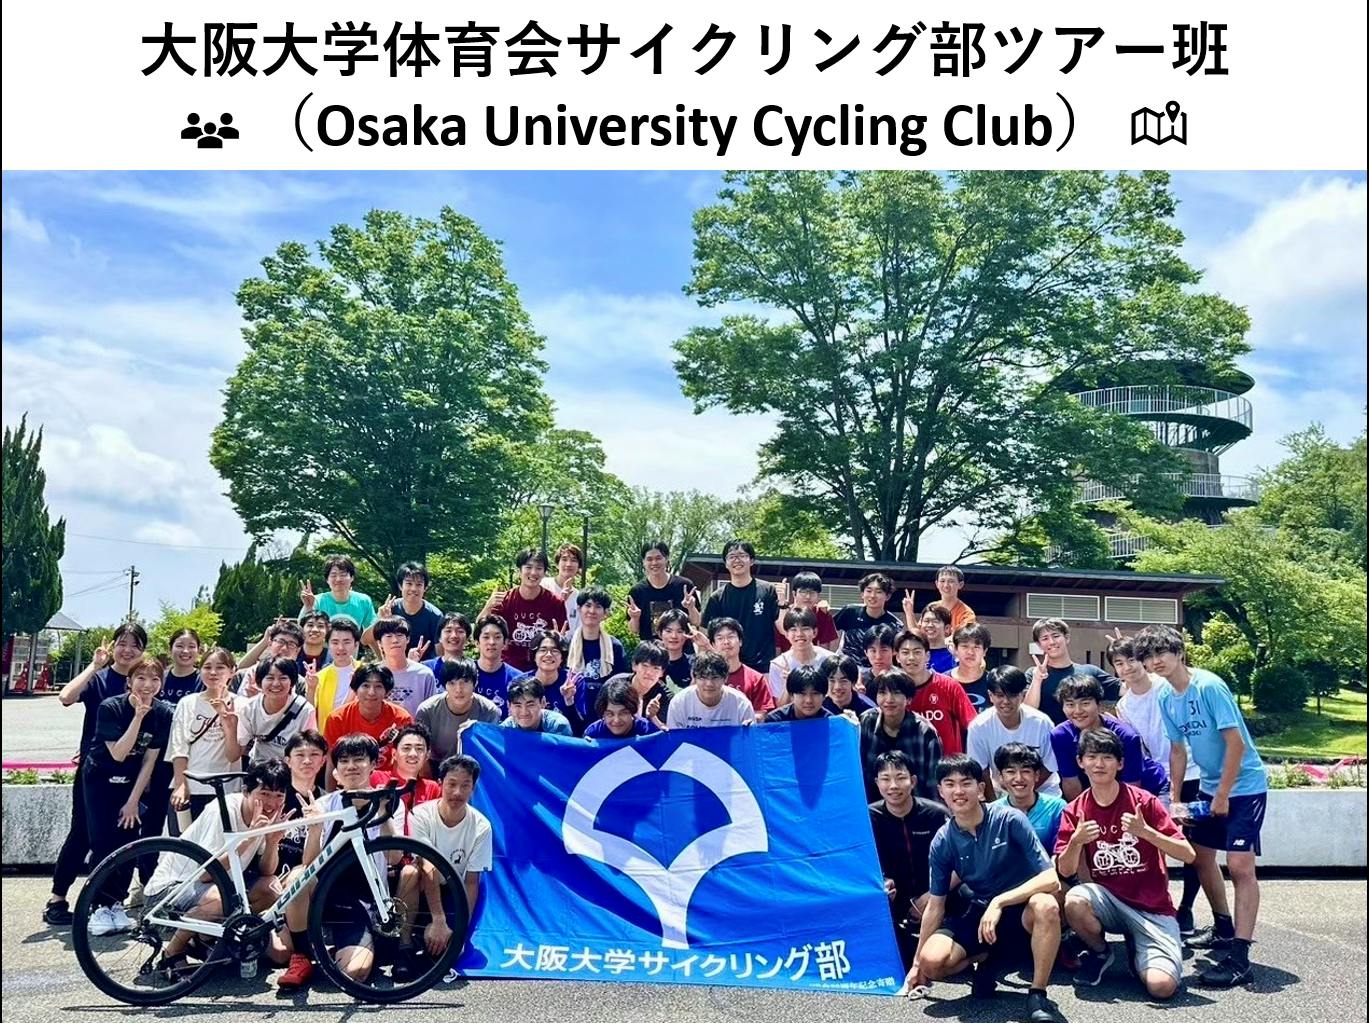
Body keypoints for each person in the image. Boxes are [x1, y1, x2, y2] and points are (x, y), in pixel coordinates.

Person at [1134, 625, 1268, 987]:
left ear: (1179, 652)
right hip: (1210, 787)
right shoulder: (1166, 696)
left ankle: (1240, 956)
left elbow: (1236, 744)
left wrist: (1223, 795)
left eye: (1161, 653)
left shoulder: (1209, 686)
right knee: (1200, 857)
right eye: (1148, 656)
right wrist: (1176, 799)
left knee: (1239, 867)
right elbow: (1177, 751)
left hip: (1245, 787)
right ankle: (1223, 927)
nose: (1155, 661)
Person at [901, 755, 1066, 1023]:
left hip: (1022, 908)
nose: (958, 791)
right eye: (950, 784)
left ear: (980, 788)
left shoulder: (1010, 819)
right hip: (981, 913)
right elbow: (936, 905)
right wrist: (917, 965)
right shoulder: (943, 840)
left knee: (1046, 905)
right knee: (933, 962)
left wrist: (1000, 902)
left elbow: (1051, 879)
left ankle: (1038, 994)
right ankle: (991, 956)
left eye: (966, 783)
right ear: (940, 791)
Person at [1055, 728, 1194, 998]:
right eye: (1092, 757)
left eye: (1107, 757)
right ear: (1080, 762)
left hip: (1152, 908)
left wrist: (1147, 833)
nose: (1099, 764)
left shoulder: (1144, 802)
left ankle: (1137, 948)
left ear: (1120, 763)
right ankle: (1100, 952)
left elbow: (1188, 855)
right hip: (1109, 903)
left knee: (1162, 987)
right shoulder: (1075, 810)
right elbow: (1066, 870)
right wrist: (1076, 841)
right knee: (1075, 899)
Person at [277, 733, 402, 989]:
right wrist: (315, 828)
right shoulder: (324, 804)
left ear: (373, 764)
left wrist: (383, 813)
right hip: (322, 896)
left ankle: (333, 952)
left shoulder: (388, 802)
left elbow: (395, 857)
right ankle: (302, 955)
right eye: (344, 761)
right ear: (336, 769)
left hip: (362, 903)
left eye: (359, 759)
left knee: (355, 973)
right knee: (297, 877)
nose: (351, 766)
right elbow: (309, 864)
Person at [143, 760, 291, 970]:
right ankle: (172, 952)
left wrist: (272, 842)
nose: (271, 803)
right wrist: (248, 838)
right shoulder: (224, 810)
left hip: (211, 888)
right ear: (246, 791)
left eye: (279, 796)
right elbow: (206, 874)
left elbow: (267, 871)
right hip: (171, 889)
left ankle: (201, 937)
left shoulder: (266, 816)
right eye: (264, 794)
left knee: (271, 888)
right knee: (222, 897)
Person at [46, 623, 146, 926]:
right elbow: (66, 696)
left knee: (125, 836)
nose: (128, 650)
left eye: (135, 645)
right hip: (95, 772)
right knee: (82, 833)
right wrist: (94, 665)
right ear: (113, 646)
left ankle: (109, 902)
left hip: (130, 772)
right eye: (122, 643)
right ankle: (57, 898)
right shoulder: (100, 679)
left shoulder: (143, 681)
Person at [1110, 633, 1204, 936]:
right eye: (1119, 663)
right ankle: (1158, 906)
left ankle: (1186, 908)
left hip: (1193, 774)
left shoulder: (1165, 686)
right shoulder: (1124, 705)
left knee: (1193, 845)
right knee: (1152, 844)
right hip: (1159, 781)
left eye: (1133, 659)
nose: (1128, 667)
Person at [82, 655, 174, 936]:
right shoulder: (110, 707)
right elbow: (119, 753)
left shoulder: (163, 713)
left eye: (155, 679)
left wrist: (133, 801)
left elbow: (149, 760)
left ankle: (116, 904)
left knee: (129, 842)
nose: (148, 685)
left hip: (132, 785)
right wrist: (138, 717)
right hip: (101, 781)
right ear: (129, 681)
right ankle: (98, 907)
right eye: (141, 678)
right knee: (103, 842)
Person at [405, 755, 492, 970]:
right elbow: (428, 867)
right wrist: (438, 919)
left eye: (465, 785)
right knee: (409, 873)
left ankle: (430, 938)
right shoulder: (420, 815)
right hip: (425, 885)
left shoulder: (482, 826)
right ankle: (403, 945)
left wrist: (459, 930)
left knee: (451, 951)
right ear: (440, 783)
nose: (457, 792)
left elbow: (471, 882)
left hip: (455, 891)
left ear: (473, 788)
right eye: (451, 784)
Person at [869, 750, 952, 970]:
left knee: (968, 895)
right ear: (877, 783)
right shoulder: (868, 818)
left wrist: (931, 895)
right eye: (885, 779)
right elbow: (860, 864)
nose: (893, 786)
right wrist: (880, 881)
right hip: (896, 895)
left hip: (936, 891)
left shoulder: (936, 814)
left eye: (900, 778)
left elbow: (959, 863)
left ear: (913, 781)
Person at [1050, 675, 1168, 800]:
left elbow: (1132, 787)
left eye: (1085, 703)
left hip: (1150, 789)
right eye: (1070, 705)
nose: (1078, 711)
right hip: (1100, 793)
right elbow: (1070, 781)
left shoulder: (1126, 736)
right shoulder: (1060, 736)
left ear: (1099, 704)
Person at [168, 647, 245, 826]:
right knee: (184, 841)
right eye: (207, 667)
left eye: (220, 667)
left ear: (232, 671)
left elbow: (233, 755)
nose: (213, 672)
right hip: (190, 789)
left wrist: (228, 724)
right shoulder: (187, 703)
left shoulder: (241, 705)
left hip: (226, 791)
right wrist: (181, 785)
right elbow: (179, 748)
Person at [966, 666, 1061, 800]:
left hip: (1044, 793)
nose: (1006, 701)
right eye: (999, 695)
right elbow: (981, 770)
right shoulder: (978, 726)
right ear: (990, 696)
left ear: (1022, 695)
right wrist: (995, 805)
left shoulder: (1042, 722)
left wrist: (1023, 794)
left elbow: (1049, 765)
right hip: (1002, 795)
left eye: (1012, 695)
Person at [857, 670, 943, 801]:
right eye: (882, 692)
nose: (889, 699)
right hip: (871, 806)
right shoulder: (866, 721)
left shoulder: (925, 731)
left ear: (908, 699)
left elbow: (933, 783)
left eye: (896, 693)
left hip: (915, 806)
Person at [478, 548, 568, 672]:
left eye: (539, 568)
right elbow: (478, 631)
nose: (533, 572)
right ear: (519, 571)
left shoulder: (555, 602)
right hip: (508, 669)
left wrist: (559, 639)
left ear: (545, 573)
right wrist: (488, 607)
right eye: (528, 567)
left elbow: (561, 640)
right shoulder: (505, 600)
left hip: (542, 669)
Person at [700, 539, 780, 672]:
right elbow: (705, 632)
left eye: (742, 555)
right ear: (726, 563)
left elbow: (782, 628)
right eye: (732, 557)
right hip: (728, 667)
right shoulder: (717, 597)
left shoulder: (767, 590)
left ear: (752, 560)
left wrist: (783, 605)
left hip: (763, 666)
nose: (737, 560)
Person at [322, 664, 414, 776]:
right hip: (349, 780)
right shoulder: (337, 719)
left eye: (378, 686)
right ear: (355, 690)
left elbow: (406, 761)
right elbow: (332, 763)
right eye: (365, 685)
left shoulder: (401, 718)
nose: (371, 692)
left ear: (387, 692)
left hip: (389, 781)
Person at [895, 627, 976, 755]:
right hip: (908, 764)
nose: (911, 657)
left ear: (927, 656)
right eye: (905, 652)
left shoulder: (949, 686)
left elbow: (973, 725)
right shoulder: (892, 690)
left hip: (946, 765)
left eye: (917, 652)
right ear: (898, 657)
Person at [1025, 618, 1120, 725]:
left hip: (1085, 734)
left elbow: (1125, 689)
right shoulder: (1033, 674)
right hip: (1045, 734)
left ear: (1067, 638)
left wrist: (1125, 652)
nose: (1051, 642)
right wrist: (1037, 680)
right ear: (1039, 644)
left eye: (1056, 636)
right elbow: (1027, 712)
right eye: (1045, 638)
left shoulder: (1089, 671)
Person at [416, 657, 501, 766]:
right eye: (452, 683)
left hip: (476, 766)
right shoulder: (427, 710)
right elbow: (420, 751)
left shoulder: (489, 711)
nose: (459, 689)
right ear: (444, 685)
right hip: (435, 766)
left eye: (465, 682)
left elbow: (491, 752)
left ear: (475, 683)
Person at [562, 588, 627, 726]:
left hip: (605, 714)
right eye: (587, 605)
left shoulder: (614, 646)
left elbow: (621, 682)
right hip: (571, 708)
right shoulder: (567, 643)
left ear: (605, 613)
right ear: (579, 609)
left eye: (598, 607)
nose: (592, 611)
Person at [237, 657, 318, 765]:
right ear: (260, 681)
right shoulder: (249, 708)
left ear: (292, 682)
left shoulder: (304, 710)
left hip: (291, 769)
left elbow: (310, 750)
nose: (276, 683)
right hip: (259, 768)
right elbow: (237, 751)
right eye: (270, 678)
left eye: (283, 678)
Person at [993, 743, 1067, 853]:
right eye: (1011, 772)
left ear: (1036, 775)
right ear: (1000, 776)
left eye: (1025, 771)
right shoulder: (992, 813)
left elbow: (1062, 852)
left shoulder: (1057, 807)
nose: (1019, 778)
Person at [371, 724, 442, 831]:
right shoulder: (375, 778)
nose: (413, 754)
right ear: (394, 754)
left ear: (427, 755)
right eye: (406, 748)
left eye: (419, 749)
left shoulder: (433, 788)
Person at [627, 541, 701, 642]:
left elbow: (696, 622)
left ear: (666, 559)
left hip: (682, 648)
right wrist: (635, 618)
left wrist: (691, 608)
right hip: (651, 648)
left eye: (658, 558)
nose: (654, 563)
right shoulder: (637, 591)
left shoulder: (684, 586)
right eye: (649, 559)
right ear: (643, 562)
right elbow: (634, 630)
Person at [704, 617, 775, 719]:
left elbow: (762, 713)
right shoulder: (706, 680)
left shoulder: (756, 679)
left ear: (740, 641)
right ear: (713, 645)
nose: (726, 642)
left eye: (731, 636)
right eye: (720, 638)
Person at [665, 651, 755, 729]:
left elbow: (751, 739)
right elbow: (674, 739)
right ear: (694, 678)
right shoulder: (679, 702)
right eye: (703, 678)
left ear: (725, 678)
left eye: (715, 678)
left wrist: (749, 731)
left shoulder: (741, 703)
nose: (709, 684)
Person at [372, 615, 439, 718]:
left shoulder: (424, 674)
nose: (395, 640)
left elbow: (433, 712)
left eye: (399, 635)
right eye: (388, 636)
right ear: (379, 642)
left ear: (407, 639)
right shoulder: (371, 674)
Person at [372, 561, 443, 655]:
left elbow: (440, 653)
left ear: (425, 588)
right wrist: (380, 620)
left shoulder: (435, 616)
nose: (413, 589)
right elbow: (366, 640)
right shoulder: (390, 608)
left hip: (425, 663)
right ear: (400, 586)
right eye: (409, 583)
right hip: (394, 661)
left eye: (419, 585)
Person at [598, 641, 671, 731]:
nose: (649, 672)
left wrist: (652, 717)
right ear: (634, 665)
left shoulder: (665, 697)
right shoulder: (613, 685)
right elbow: (599, 720)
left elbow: (665, 731)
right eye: (645, 665)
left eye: (656, 668)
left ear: (662, 672)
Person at [833, 571, 902, 667]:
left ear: (887, 596)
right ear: (862, 594)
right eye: (869, 591)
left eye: (878, 592)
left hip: (876, 670)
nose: (872, 596)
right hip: (846, 667)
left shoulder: (895, 624)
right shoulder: (850, 612)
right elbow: (827, 631)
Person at [768, 608, 834, 706]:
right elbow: (780, 708)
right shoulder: (778, 665)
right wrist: (788, 684)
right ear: (786, 634)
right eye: (793, 629)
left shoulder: (829, 660)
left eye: (805, 629)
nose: (799, 634)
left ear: (814, 632)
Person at [299, 554, 377, 631]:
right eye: (333, 575)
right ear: (327, 580)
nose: (338, 579)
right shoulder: (316, 601)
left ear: (352, 577)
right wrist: (308, 607)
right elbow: (301, 631)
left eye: (343, 574)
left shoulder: (363, 601)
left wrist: (381, 618)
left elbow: (373, 632)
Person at [312, 616, 362, 733]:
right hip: (328, 737)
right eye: (335, 642)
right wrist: (310, 688)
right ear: (328, 644)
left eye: (346, 642)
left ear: (356, 645)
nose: (340, 648)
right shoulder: (320, 676)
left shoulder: (366, 672)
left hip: (360, 737)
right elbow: (311, 712)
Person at [773, 571, 838, 654]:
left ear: (818, 595)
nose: (808, 596)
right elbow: (777, 647)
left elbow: (827, 645)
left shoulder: (821, 613)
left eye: (812, 592)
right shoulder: (782, 614)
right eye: (803, 592)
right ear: (794, 594)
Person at [471, 614, 523, 717]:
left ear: (505, 643)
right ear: (477, 643)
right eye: (486, 637)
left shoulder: (518, 679)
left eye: (497, 637)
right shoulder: (464, 674)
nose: (491, 642)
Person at [519, 629, 576, 720]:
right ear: (534, 656)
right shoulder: (520, 683)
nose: (549, 655)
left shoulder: (573, 682)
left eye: (555, 650)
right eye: (543, 650)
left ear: (562, 658)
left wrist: (569, 701)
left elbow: (581, 726)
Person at [236, 620, 305, 691]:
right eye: (280, 642)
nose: (284, 648)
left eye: (291, 644)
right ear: (270, 643)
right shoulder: (245, 675)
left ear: (298, 650)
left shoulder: (301, 684)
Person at [584, 677, 662, 739]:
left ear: (632, 711)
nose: (616, 720)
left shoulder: (648, 732)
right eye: (610, 714)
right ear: (603, 714)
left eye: (623, 713)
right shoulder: (594, 733)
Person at [763, 663, 835, 723]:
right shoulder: (775, 721)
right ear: (791, 695)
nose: (808, 700)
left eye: (815, 693)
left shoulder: (831, 722)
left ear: (824, 695)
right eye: (802, 693)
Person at [501, 677, 574, 735]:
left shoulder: (558, 725)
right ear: (509, 706)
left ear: (543, 702)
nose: (524, 712)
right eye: (518, 706)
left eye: (530, 705)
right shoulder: (505, 728)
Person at [540, 543, 585, 633]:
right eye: (564, 559)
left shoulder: (579, 597)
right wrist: (560, 600)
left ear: (579, 566)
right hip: (544, 639)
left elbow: (578, 630)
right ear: (557, 564)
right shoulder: (543, 585)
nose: (568, 564)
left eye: (573, 560)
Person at [949, 623, 994, 714]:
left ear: (984, 651)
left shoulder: (994, 683)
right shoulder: (942, 683)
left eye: (976, 647)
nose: (970, 652)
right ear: (955, 649)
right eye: (965, 646)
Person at [162, 628, 205, 706]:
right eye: (179, 646)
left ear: (198, 651)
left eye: (191, 646)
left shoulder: (204, 680)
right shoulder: (159, 678)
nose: (185, 651)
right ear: (170, 649)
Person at [655, 609, 695, 691]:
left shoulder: (694, 663)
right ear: (660, 633)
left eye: (679, 631)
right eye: (668, 631)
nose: (674, 636)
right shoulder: (652, 663)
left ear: (687, 634)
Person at [918, 603, 959, 674]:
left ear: (947, 628)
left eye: (935, 621)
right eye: (926, 621)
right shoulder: (914, 653)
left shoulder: (955, 656)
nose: (930, 625)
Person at [933, 566, 977, 631]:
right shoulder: (932, 608)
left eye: (951, 581)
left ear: (960, 584)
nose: (946, 585)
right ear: (937, 584)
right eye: (942, 581)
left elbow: (963, 636)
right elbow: (920, 632)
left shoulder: (966, 613)